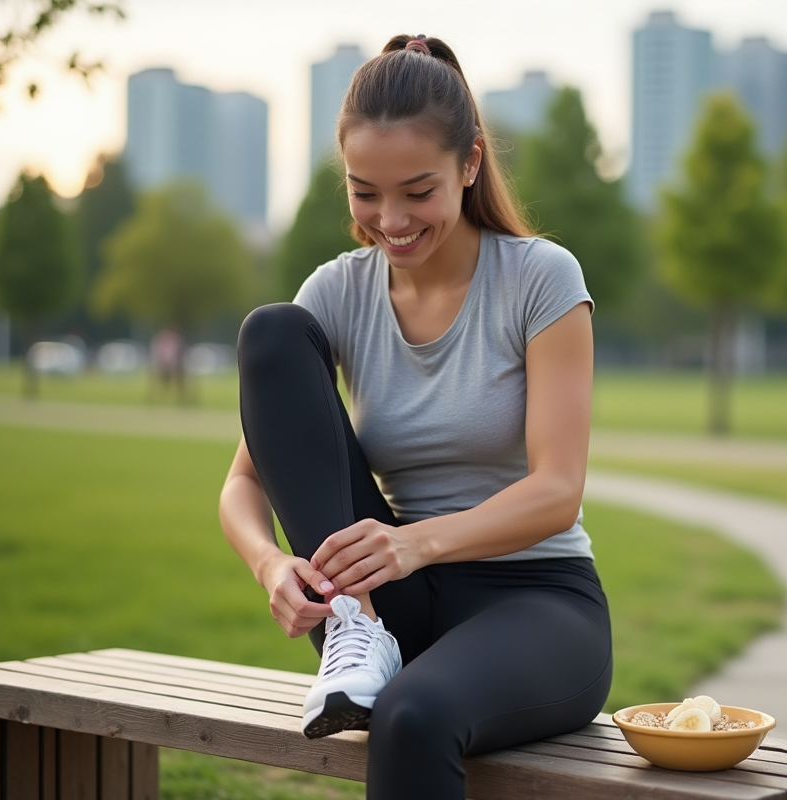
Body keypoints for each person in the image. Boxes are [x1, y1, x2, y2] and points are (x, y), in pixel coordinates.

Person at [218, 34, 612, 799]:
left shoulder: (541, 277)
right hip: (383, 607)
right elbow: (243, 482)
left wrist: (413, 544)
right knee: (268, 329)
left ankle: (377, 643)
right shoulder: (335, 292)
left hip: (536, 600)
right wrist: (270, 565)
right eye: (365, 192)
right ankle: (355, 633)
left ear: (469, 164)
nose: (389, 220)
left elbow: (558, 489)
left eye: (417, 191)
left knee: (413, 716)